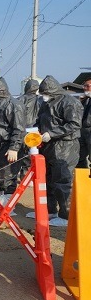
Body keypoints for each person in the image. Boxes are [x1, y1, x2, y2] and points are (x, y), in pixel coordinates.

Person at [35, 75, 83, 226]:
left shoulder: (69, 102)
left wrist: (52, 133)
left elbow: (74, 124)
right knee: (48, 180)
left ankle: (65, 216)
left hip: (65, 147)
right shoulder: (46, 103)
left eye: (45, 93)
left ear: (53, 91)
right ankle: (50, 211)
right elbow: (40, 120)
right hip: (49, 146)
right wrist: (35, 131)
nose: (44, 96)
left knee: (62, 181)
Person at [0, 77, 25, 215]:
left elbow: (19, 128)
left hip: (8, 145)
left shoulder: (14, 105)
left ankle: (8, 207)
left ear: (1, 91)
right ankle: (1, 200)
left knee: (8, 175)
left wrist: (14, 147)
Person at [18, 79, 41, 180]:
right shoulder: (40, 100)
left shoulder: (21, 99)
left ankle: (25, 175)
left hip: (23, 129)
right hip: (36, 130)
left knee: (23, 153)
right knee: (35, 153)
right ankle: (35, 175)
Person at [76, 79, 91, 169]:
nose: (85, 88)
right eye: (84, 86)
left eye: (87, 86)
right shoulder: (85, 100)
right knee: (80, 156)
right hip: (83, 130)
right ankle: (83, 177)